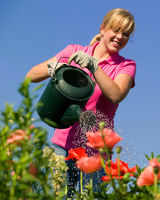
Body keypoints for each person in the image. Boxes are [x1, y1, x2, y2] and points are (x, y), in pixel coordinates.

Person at [26, 8, 136, 197]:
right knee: (57, 196)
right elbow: (31, 75)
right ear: (102, 29)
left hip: (96, 153)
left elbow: (116, 94)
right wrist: (54, 67)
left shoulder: (126, 66)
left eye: (125, 34)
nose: (120, 37)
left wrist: (94, 66)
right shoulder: (74, 52)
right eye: (116, 30)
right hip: (62, 145)